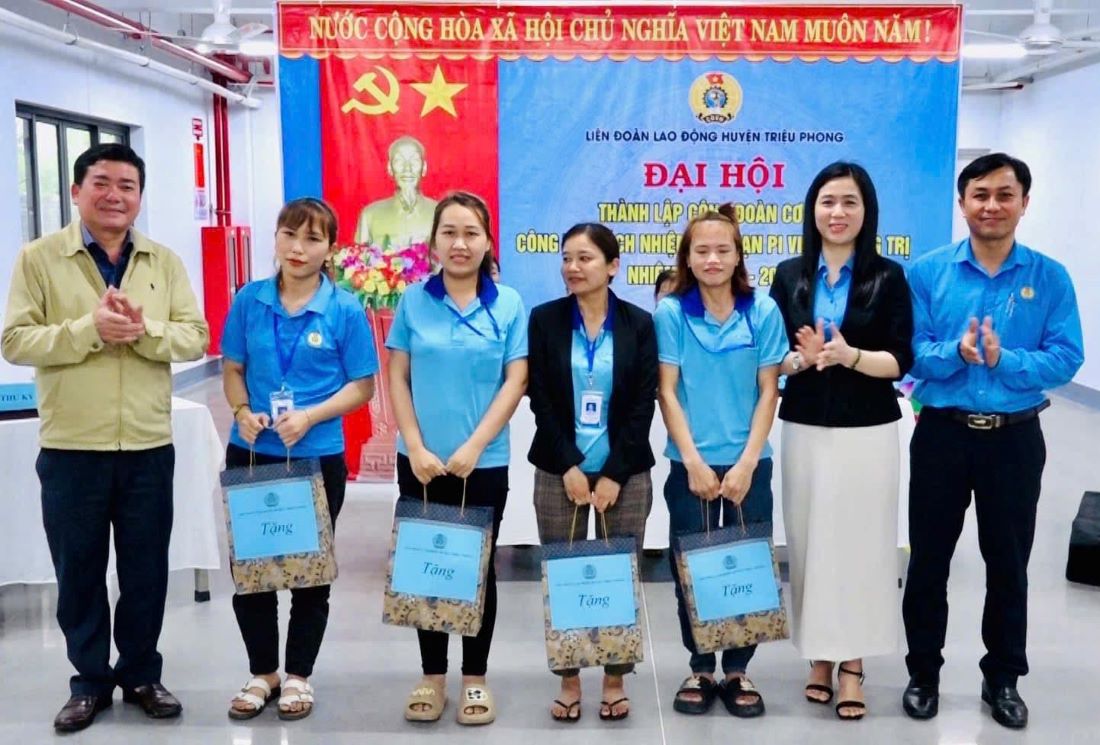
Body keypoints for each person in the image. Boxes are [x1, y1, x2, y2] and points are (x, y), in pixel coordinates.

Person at [2, 143, 209, 732]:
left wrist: (143, 331)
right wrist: (87, 328)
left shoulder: (163, 262)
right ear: (75, 190)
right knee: (80, 570)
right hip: (72, 446)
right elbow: (16, 340)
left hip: (146, 444)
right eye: (101, 182)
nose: (114, 194)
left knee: (146, 569)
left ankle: (142, 672)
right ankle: (89, 680)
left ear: (140, 197)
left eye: (127, 185)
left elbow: (193, 337)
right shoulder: (40, 260)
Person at [901, 153, 1083, 730]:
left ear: (1024, 203)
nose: (992, 205)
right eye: (980, 194)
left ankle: (1002, 678)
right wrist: (955, 353)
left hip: (1014, 440)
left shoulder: (1049, 277)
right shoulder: (928, 273)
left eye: (1005, 195)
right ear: (962, 204)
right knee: (929, 561)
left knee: (1009, 564)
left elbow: (1067, 356)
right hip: (942, 436)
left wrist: (1008, 360)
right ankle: (922, 672)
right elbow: (911, 354)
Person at [220, 197, 378, 721]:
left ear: (330, 249)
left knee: (310, 575)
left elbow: (361, 387)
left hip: (315, 459)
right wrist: (241, 410)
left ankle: (298, 676)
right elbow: (233, 369)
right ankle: (262, 672)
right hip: (251, 454)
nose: (298, 247)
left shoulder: (345, 309)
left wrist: (310, 416)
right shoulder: (250, 300)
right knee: (253, 570)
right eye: (289, 234)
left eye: (312, 239)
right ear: (276, 238)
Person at [769, 162, 914, 721]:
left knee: (860, 545)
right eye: (827, 201)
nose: (837, 213)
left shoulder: (887, 276)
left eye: (849, 202)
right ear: (812, 209)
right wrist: (800, 360)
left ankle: (852, 662)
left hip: (868, 431)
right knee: (809, 543)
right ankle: (818, 658)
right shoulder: (790, 276)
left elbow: (901, 359)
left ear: (866, 211)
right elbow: (775, 358)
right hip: (804, 426)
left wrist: (849, 355)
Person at [387, 191, 528, 726]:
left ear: (487, 242)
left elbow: (516, 380)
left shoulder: (509, 304)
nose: (460, 243)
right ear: (434, 242)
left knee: (477, 569)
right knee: (427, 565)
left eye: (471, 233)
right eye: (449, 232)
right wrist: (416, 445)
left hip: (483, 461)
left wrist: (473, 446)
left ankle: (474, 679)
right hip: (419, 459)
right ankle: (431, 676)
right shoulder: (413, 300)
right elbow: (397, 376)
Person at [654, 206, 787, 718]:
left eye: (723, 250)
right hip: (691, 463)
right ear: (687, 257)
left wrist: (750, 461)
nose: (712, 259)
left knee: (746, 565)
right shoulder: (672, 313)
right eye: (701, 250)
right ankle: (701, 664)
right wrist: (692, 460)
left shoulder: (764, 312)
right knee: (692, 565)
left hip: (751, 462)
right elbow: (668, 391)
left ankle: (738, 668)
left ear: (738, 257)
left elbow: (768, 388)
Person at [526, 223, 657, 723]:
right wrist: (569, 466)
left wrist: (614, 473)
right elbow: (539, 396)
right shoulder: (545, 320)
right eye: (566, 259)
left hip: (624, 474)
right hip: (560, 472)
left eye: (584, 258)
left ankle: (615, 678)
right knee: (564, 574)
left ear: (613, 266)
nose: (572, 268)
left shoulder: (639, 323)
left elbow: (643, 403)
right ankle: (568, 677)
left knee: (618, 577)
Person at [354, 135, 438, 248]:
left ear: (424, 168)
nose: (407, 168)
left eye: (414, 161)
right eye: (399, 161)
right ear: (390, 168)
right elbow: (360, 260)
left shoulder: (441, 214)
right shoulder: (370, 215)